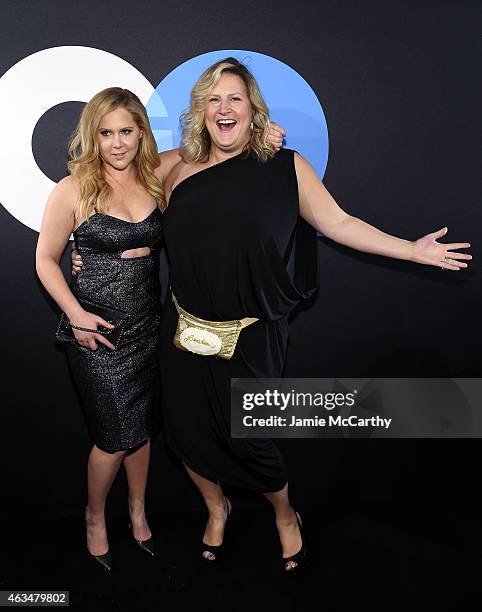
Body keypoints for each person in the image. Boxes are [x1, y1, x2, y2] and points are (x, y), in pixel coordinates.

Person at [156, 57, 471, 575]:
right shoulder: (174, 166)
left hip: (252, 337)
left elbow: (340, 222)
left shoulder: (286, 167)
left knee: (252, 441)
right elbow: (110, 188)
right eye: (213, 99)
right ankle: (217, 508)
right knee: (185, 434)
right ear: (200, 111)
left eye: (235, 98)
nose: (223, 108)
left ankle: (284, 514)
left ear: (254, 108)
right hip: (183, 332)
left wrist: (412, 251)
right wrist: (85, 245)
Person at [37, 86, 284, 572]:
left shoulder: (155, 176)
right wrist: (75, 314)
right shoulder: (73, 188)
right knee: (113, 437)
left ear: (141, 133)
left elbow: (211, 149)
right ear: (92, 136)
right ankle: (94, 518)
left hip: (152, 325)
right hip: (99, 333)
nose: (117, 143)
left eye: (126, 131)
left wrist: (264, 132)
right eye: (105, 133)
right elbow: (45, 260)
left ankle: (137, 511)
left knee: (144, 429)